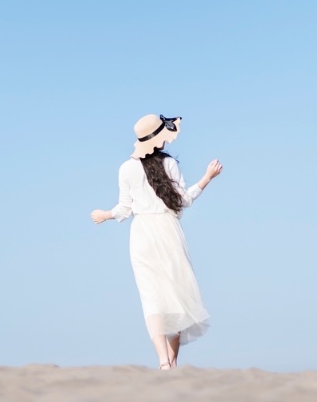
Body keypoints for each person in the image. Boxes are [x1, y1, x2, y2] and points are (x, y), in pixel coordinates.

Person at [90, 113, 223, 370]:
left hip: (141, 234)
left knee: (152, 298)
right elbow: (183, 200)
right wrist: (207, 177)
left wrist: (104, 215)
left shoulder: (126, 168)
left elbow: (124, 208)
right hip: (168, 230)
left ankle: (164, 362)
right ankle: (172, 362)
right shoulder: (169, 163)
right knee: (177, 295)